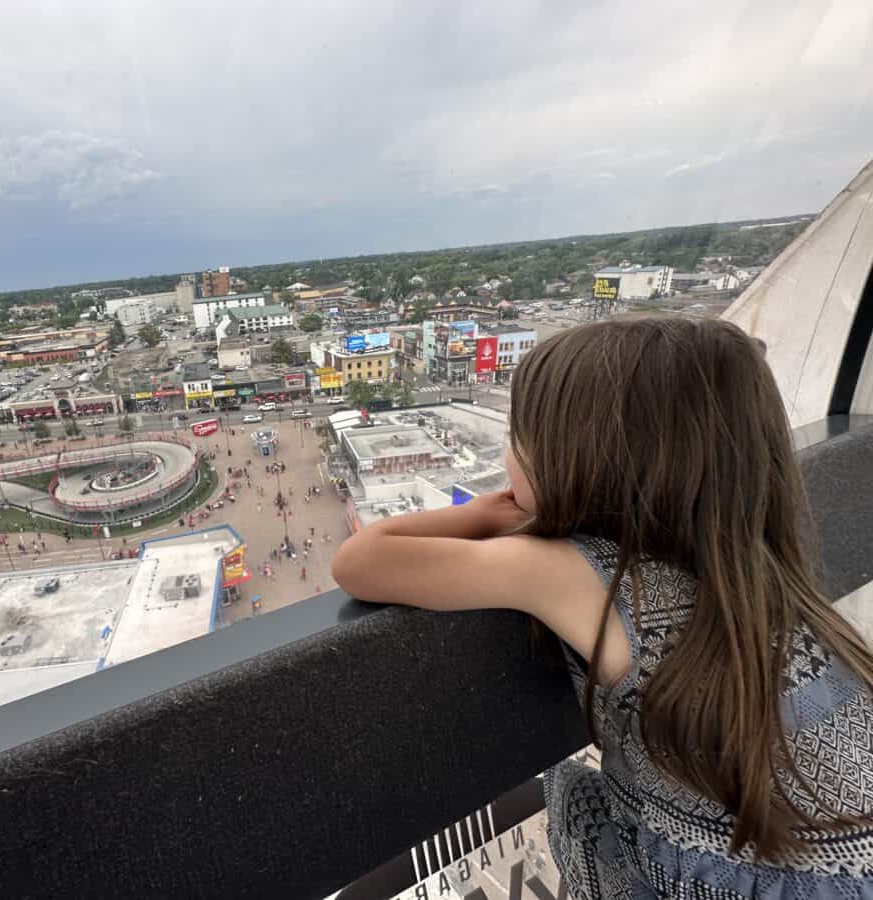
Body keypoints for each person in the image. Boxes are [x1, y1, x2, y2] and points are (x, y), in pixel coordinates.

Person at [330, 319, 873, 896]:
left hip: (729, 879)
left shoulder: (588, 575)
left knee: (572, 796)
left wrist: (487, 514)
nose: (507, 454)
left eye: (518, 437)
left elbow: (362, 560)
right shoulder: (759, 575)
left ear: (583, 459)